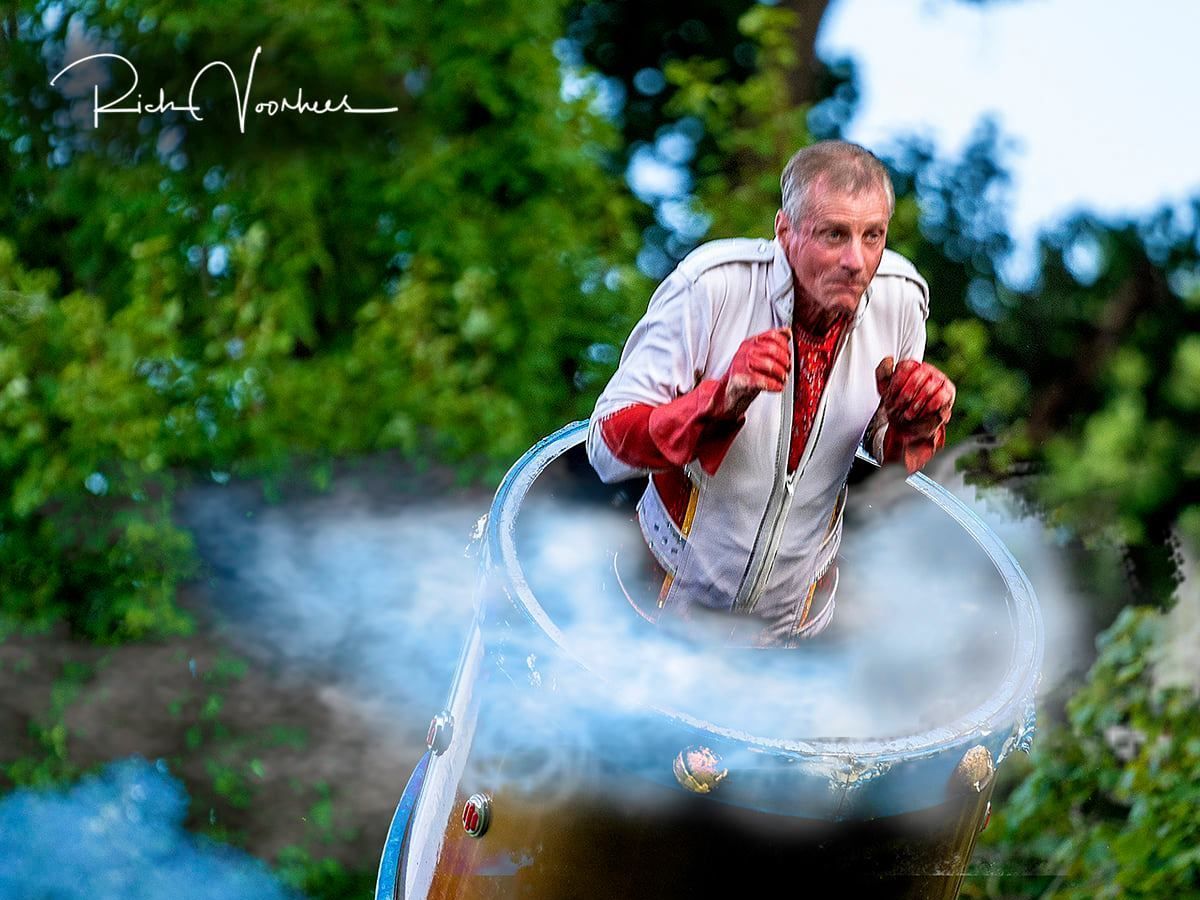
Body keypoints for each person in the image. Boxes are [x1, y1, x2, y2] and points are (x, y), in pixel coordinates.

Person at [587, 140, 955, 646]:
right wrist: (717, 400)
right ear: (785, 231)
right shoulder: (711, 285)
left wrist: (916, 420)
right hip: (659, 606)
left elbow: (884, 453)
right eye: (834, 234)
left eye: (873, 236)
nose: (857, 260)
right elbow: (606, 449)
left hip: (793, 630)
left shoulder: (903, 298)